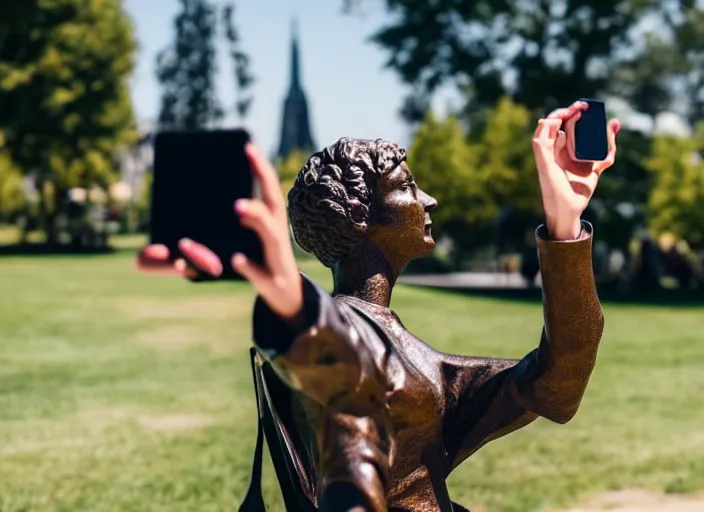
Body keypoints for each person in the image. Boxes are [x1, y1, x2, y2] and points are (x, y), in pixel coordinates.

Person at [138, 101, 620, 512]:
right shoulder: (342, 329)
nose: (428, 200)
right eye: (407, 186)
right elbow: (330, 349)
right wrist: (285, 288)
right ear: (358, 215)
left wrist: (565, 225)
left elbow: (558, 384)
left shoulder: (423, 363)